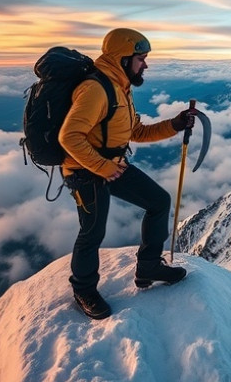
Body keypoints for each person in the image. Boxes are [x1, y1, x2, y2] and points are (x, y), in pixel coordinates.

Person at [59, 28, 196, 320]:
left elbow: (136, 132)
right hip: (85, 171)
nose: (145, 65)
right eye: (141, 59)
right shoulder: (96, 89)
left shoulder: (120, 88)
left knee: (158, 201)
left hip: (112, 165)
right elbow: (69, 137)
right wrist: (104, 167)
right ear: (123, 59)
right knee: (92, 230)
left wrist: (175, 124)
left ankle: (148, 267)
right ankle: (83, 289)